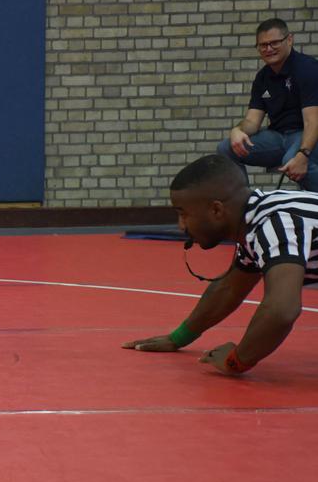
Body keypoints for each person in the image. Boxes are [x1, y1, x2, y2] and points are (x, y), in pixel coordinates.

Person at [122, 154, 317, 374]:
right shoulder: (255, 219)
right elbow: (230, 288)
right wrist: (178, 337)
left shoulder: (275, 224)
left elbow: (282, 310)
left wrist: (237, 360)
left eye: (183, 214)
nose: (181, 226)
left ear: (216, 210)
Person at [216, 18, 318, 192]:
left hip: (307, 134)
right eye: (263, 45)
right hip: (278, 137)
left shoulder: (308, 69)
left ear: (289, 40)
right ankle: (245, 206)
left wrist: (303, 155)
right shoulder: (262, 78)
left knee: (291, 159)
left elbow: (313, 121)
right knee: (226, 147)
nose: (269, 49)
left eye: (274, 43)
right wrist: (237, 130)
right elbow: (252, 122)